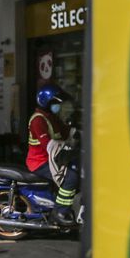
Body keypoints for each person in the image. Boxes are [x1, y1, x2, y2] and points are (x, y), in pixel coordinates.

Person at [26, 83, 79, 224]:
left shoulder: (52, 117)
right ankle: (60, 212)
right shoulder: (38, 120)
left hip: (52, 158)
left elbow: (67, 133)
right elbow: (49, 145)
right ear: (46, 102)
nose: (58, 106)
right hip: (40, 162)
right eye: (55, 103)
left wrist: (79, 132)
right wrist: (67, 151)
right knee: (71, 176)